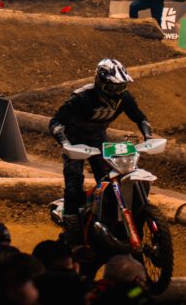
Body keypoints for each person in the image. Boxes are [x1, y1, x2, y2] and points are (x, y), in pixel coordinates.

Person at [49, 59, 153, 242]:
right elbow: (55, 122)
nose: (116, 93)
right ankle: (72, 229)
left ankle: (109, 220)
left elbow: (140, 118)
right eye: (112, 88)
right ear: (99, 83)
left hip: (98, 139)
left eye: (121, 87)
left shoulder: (125, 98)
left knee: (110, 179)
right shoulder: (81, 98)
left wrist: (148, 137)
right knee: (74, 183)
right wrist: (65, 144)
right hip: (75, 141)